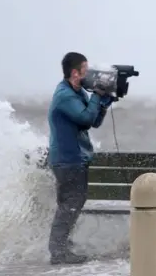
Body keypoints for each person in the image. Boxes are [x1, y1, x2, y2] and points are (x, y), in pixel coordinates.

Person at [46, 52, 113, 264]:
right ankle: (58, 251)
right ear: (75, 73)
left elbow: (93, 122)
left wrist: (103, 102)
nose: (89, 74)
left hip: (75, 158)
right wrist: (96, 95)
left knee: (74, 201)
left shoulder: (78, 93)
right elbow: (84, 118)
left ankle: (62, 246)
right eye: (85, 70)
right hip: (67, 159)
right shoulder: (65, 96)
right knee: (70, 203)